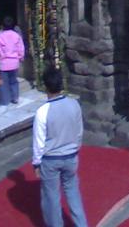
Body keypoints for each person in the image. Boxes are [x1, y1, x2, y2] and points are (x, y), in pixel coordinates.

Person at [32, 67, 88, 227]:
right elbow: (79, 130)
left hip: (51, 159)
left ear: (45, 87)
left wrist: (36, 162)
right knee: (73, 191)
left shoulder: (42, 112)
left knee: (51, 197)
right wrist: (75, 147)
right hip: (70, 156)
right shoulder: (74, 104)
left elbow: (38, 141)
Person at [0, 16, 26, 106]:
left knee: (3, 83)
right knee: (14, 81)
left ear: (2, 26)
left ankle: (5, 101)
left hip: (4, 64)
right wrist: (21, 57)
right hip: (14, 63)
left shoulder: (0, 37)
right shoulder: (16, 36)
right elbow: (21, 48)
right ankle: (15, 98)